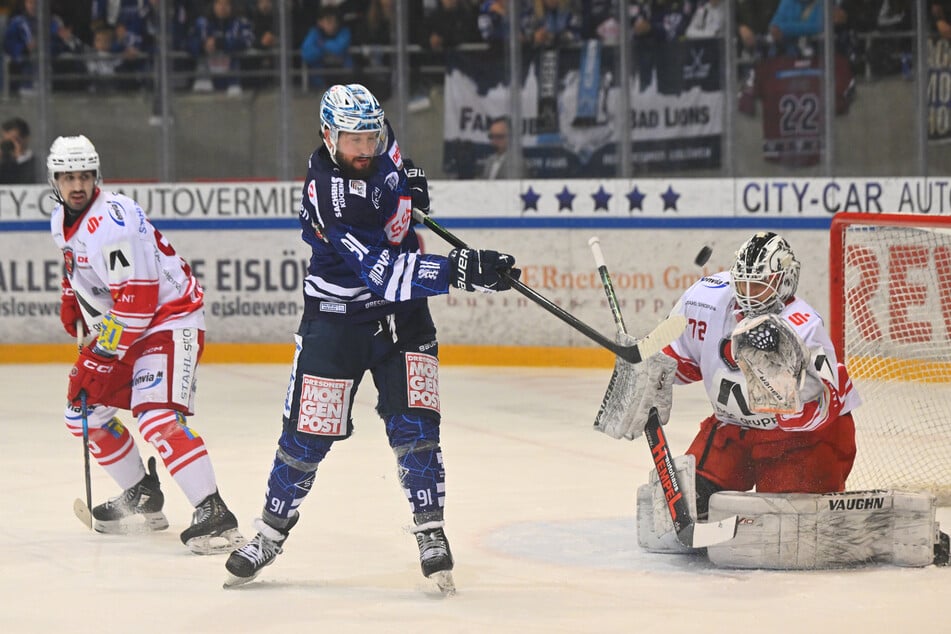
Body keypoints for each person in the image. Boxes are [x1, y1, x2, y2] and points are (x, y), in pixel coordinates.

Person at [224, 83, 520, 592]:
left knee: (417, 426)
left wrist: (409, 187)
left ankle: (430, 530)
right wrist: (463, 270)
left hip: (403, 319)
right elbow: (385, 274)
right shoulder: (331, 196)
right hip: (337, 320)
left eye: (371, 137)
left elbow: (401, 169)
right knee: (306, 435)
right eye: (353, 141)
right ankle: (270, 533)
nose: (366, 149)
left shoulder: (381, 145)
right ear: (328, 136)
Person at [49, 134, 243, 555]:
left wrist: (99, 356)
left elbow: (137, 304)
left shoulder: (111, 224)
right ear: (55, 181)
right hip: (128, 323)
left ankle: (214, 512)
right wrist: (71, 297)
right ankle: (141, 494)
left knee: (156, 417)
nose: (77, 185)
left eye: (84, 175)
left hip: (170, 319)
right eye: (68, 177)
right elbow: (76, 264)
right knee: (83, 414)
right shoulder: (59, 219)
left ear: (96, 176)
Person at [609, 233, 860, 550]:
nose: (748, 294)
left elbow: (827, 405)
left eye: (759, 285)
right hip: (734, 431)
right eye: (742, 284)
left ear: (785, 280)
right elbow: (681, 362)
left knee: (786, 532)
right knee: (686, 509)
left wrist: (786, 401)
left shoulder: (804, 327)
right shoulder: (705, 298)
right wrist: (647, 371)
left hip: (802, 442)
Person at [0, 116, 37, 184]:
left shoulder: (37, 163)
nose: (10, 145)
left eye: (14, 139)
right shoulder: (4, 163)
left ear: (25, 139)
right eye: (6, 141)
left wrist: (19, 157)